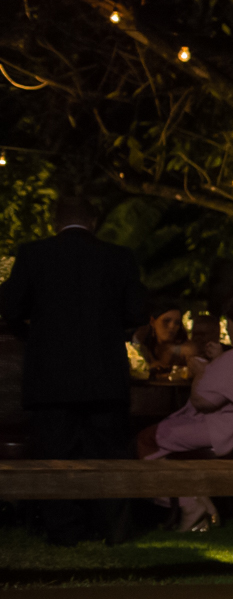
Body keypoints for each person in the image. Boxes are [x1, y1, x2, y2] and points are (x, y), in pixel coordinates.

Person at [0, 196, 148, 545]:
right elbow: (137, 312)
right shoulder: (119, 256)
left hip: (51, 377)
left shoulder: (34, 254)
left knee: (55, 456)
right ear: (93, 221)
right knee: (110, 455)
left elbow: (10, 307)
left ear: (55, 222)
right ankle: (113, 528)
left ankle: (64, 530)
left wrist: (34, 335)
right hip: (104, 375)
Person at [136, 293, 233, 531]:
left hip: (231, 432)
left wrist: (201, 372)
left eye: (229, 326)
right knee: (167, 438)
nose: (228, 332)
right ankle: (198, 501)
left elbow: (202, 401)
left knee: (146, 439)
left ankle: (189, 504)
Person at [132, 297, 196, 375]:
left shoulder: (186, 350)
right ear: (152, 322)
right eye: (166, 321)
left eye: (177, 323)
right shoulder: (141, 346)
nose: (172, 326)